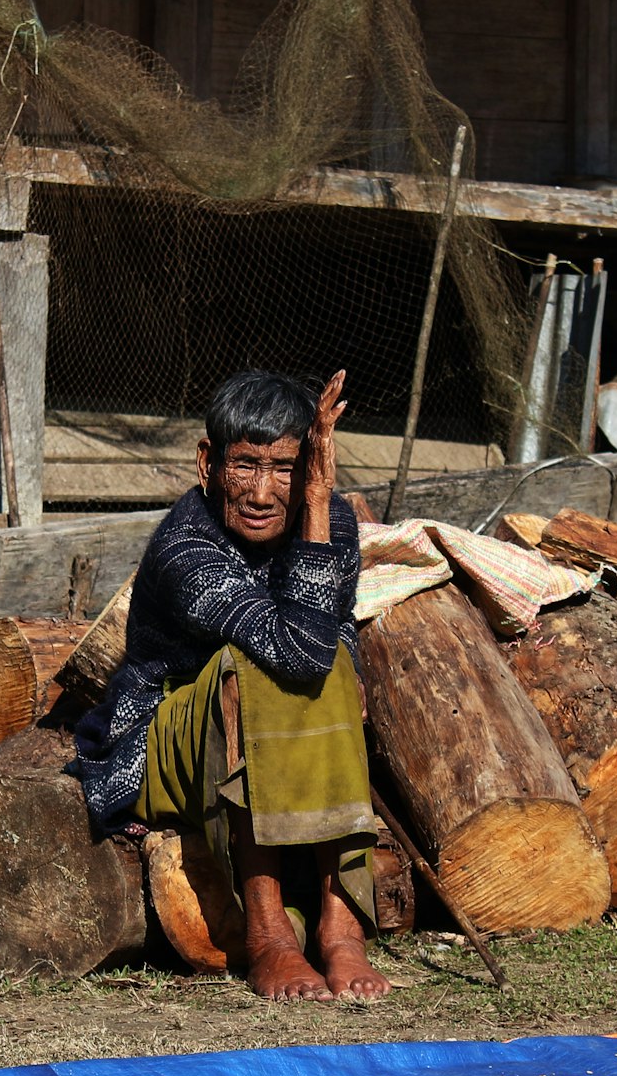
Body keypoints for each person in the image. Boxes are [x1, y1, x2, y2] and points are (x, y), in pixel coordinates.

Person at [73, 368, 390, 1003]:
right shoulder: (186, 546)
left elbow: (328, 638)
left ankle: (339, 925)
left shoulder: (329, 520)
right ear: (208, 464)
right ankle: (269, 934)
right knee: (256, 666)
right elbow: (292, 654)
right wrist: (319, 498)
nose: (264, 492)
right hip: (161, 743)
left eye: (286, 469)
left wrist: (321, 505)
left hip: (277, 731)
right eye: (246, 465)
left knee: (333, 659)